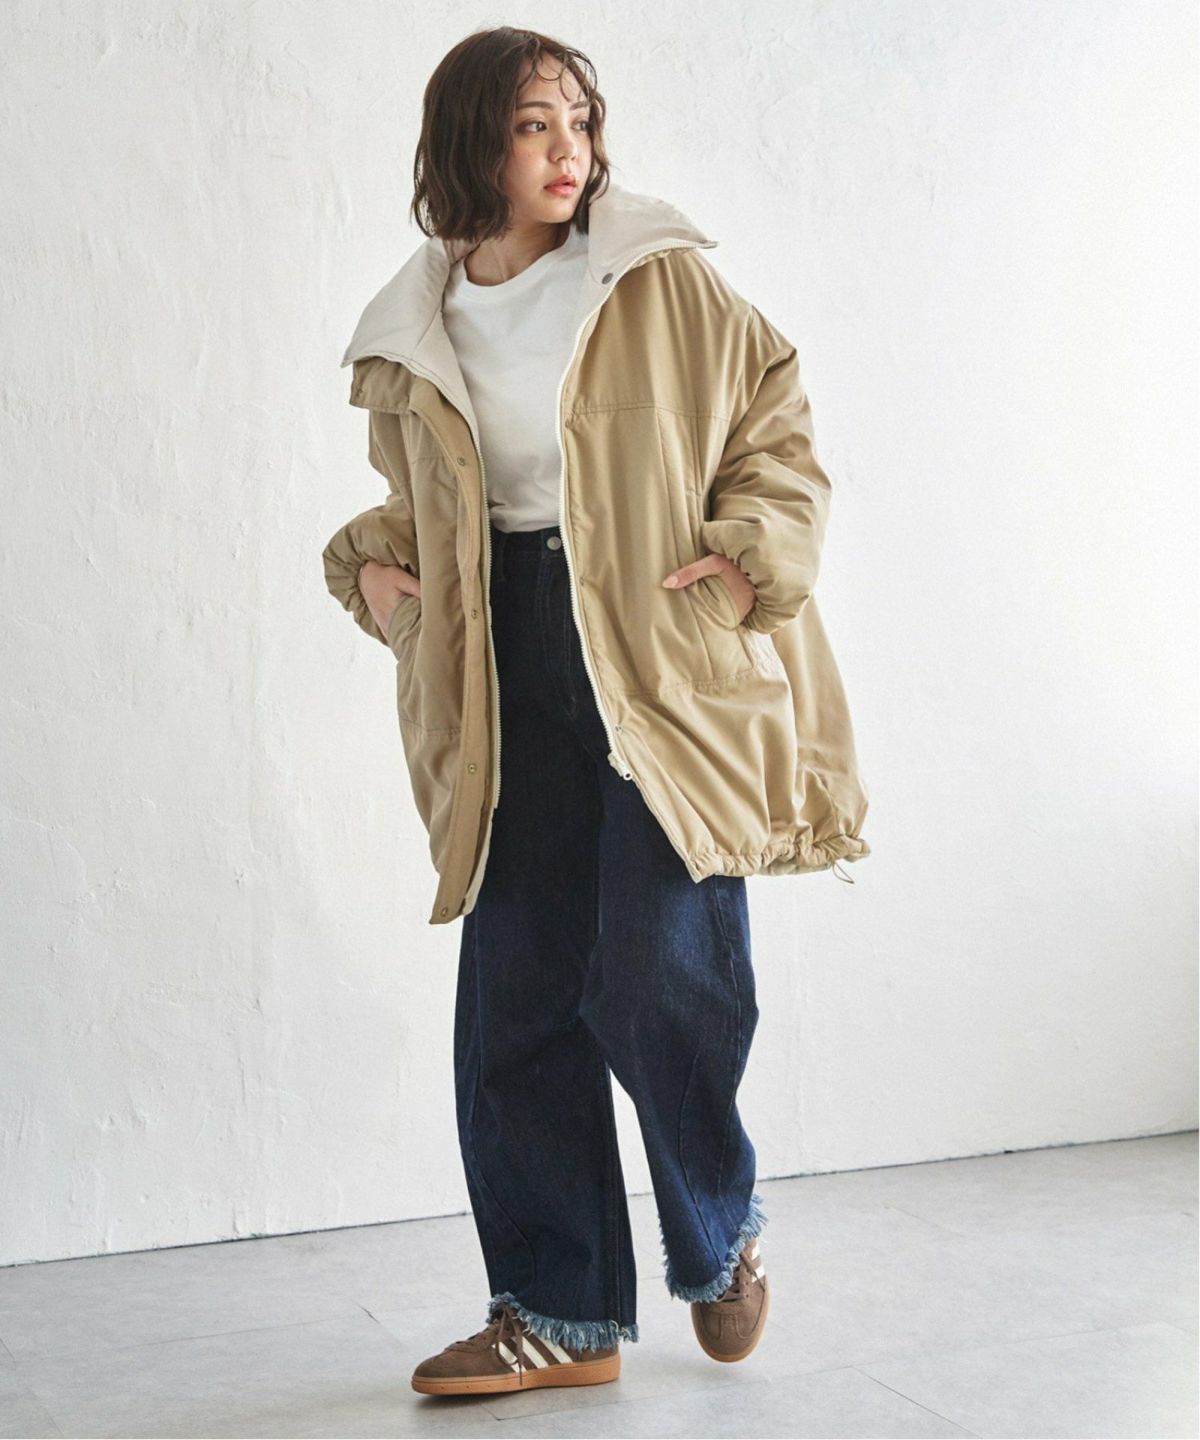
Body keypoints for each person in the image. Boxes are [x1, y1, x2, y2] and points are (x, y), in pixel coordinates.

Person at [323, 26, 870, 1399]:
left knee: (655, 973)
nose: (568, 149)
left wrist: (747, 557)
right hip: (502, 648)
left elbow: (774, 421)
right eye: (533, 125)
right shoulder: (414, 329)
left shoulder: (653, 278)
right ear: (472, 144)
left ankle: (719, 1227)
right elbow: (428, 498)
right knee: (518, 994)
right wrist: (378, 574)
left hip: (651, 639)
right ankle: (559, 1315)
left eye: (579, 120)